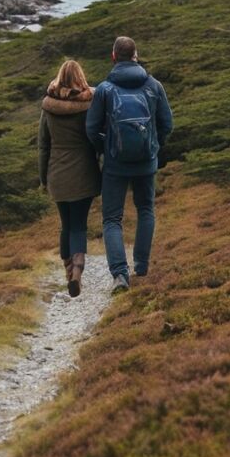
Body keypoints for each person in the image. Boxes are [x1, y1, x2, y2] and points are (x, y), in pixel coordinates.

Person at [85, 36, 174, 294]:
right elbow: (167, 124)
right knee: (146, 209)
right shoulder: (153, 85)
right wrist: (153, 147)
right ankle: (142, 266)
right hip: (147, 162)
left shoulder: (104, 89)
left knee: (112, 218)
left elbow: (91, 129)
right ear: (136, 55)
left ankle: (120, 275)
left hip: (116, 164)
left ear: (114, 57)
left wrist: (107, 150)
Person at [38, 59, 101, 297]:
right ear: (80, 77)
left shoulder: (48, 107)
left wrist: (43, 177)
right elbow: (96, 138)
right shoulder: (89, 104)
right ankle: (77, 270)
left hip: (57, 173)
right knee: (79, 224)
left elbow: (43, 145)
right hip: (84, 171)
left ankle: (67, 272)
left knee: (65, 224)